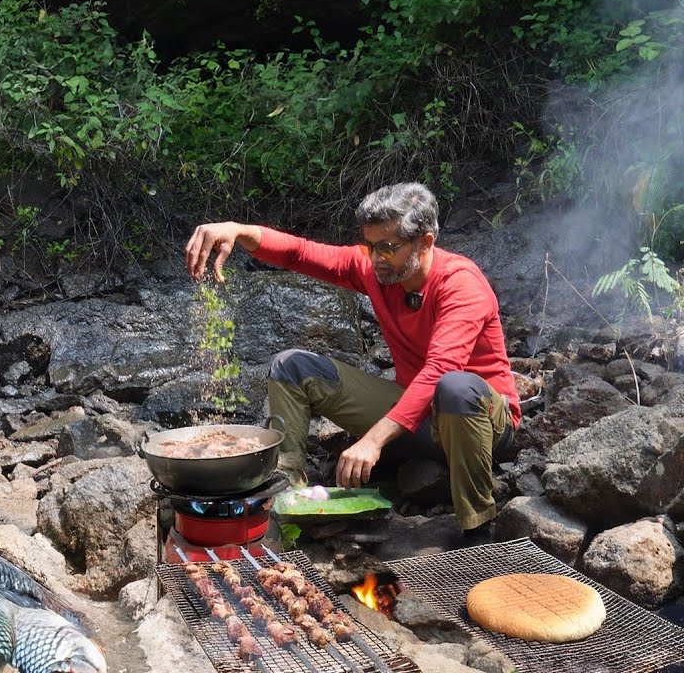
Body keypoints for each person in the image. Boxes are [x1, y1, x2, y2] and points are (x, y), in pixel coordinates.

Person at [183, 183, 520, 539]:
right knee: (292, 366)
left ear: (425, 242)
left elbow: (440, 370)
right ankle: (289, 498)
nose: (375, 258)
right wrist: (239, 230)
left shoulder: (460, 283)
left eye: (387, 248)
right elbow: (300, 253)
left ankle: (477, 527)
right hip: (417, 417)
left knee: (454, 387)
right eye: (369, 246)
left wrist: (372, 442)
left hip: (480, 422)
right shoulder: (378, 270)